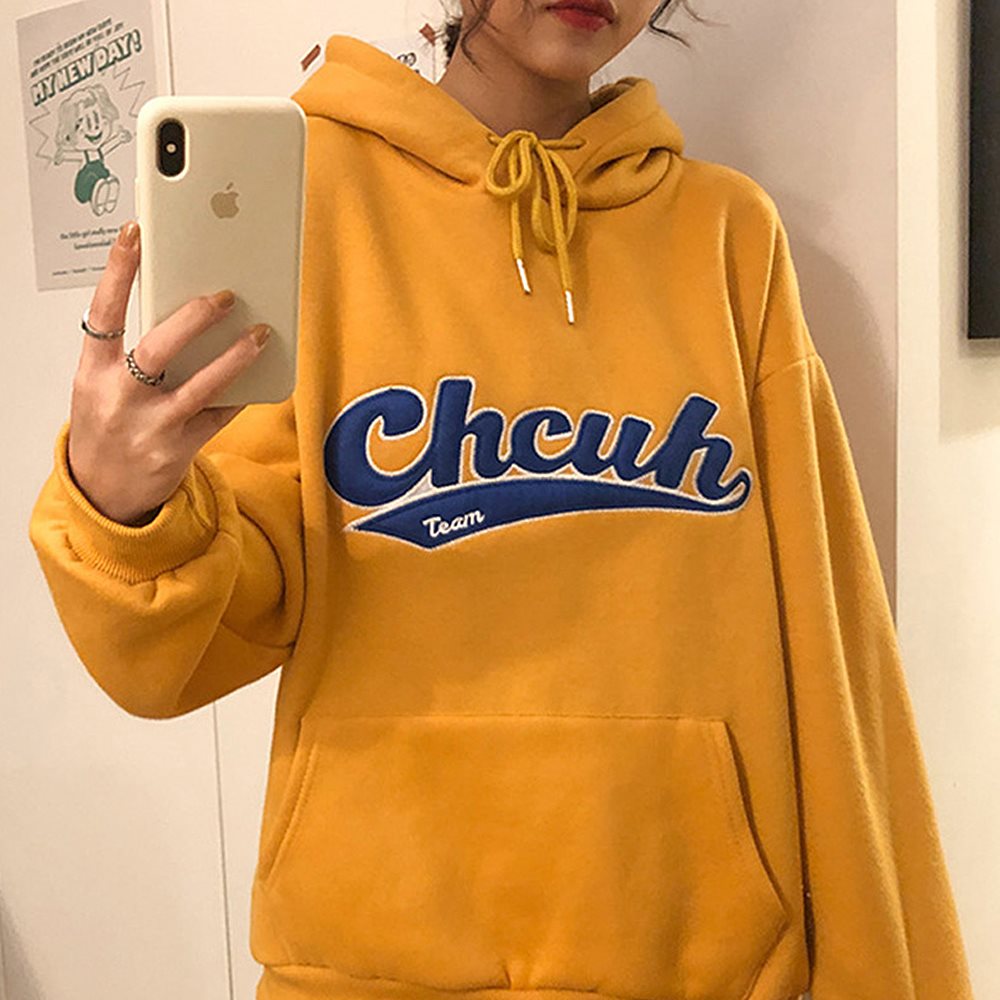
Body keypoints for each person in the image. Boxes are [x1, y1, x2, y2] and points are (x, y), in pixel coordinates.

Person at [28, 3, 975, 999]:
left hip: (692, 966)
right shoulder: (305, 199)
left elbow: (828, 646)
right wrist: (123, 509)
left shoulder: (726, 234)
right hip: (370, 968)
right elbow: (198, 639)